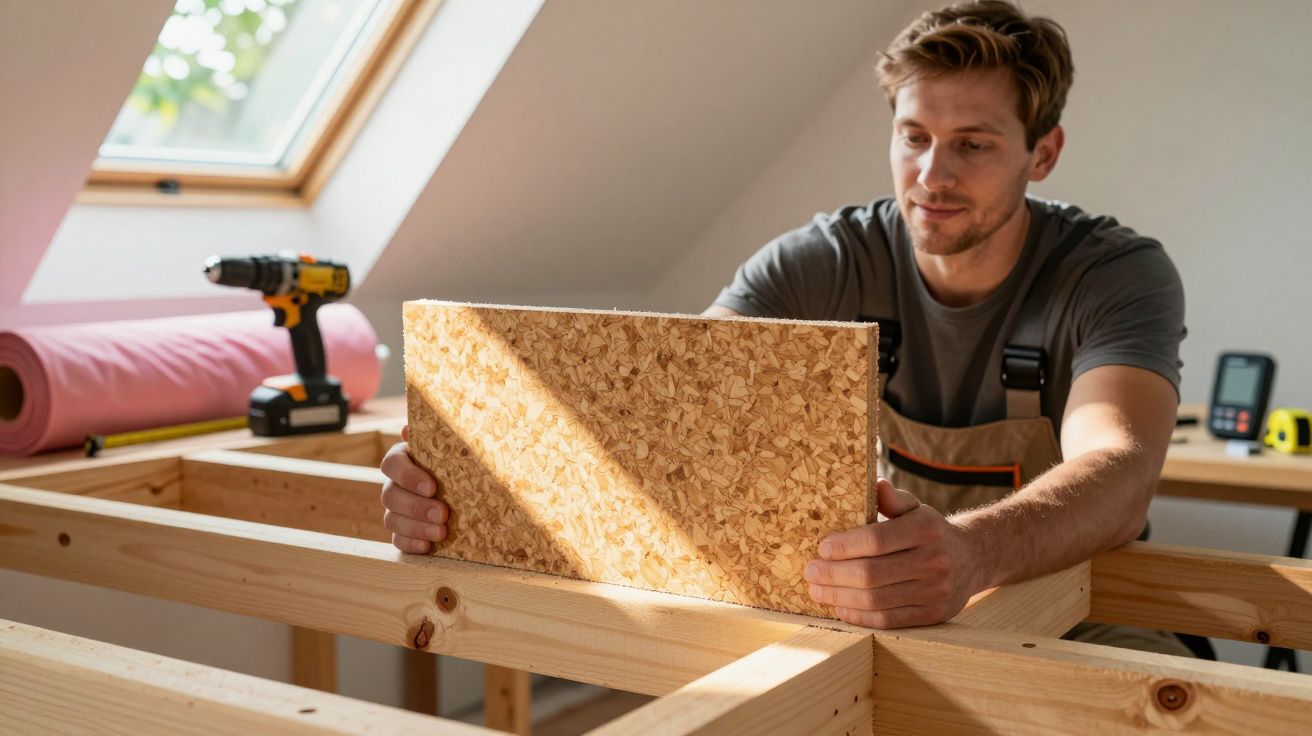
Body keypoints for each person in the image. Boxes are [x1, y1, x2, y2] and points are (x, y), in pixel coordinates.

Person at [379, 0, 1191, 654]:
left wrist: (973, 552)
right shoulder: (824, 261)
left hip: (1081, 614)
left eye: (973, 146)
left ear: (1042, 153)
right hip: (886, 613)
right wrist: (464, 485)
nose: (932, 177)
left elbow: (1119, 473)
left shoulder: (1113, 274)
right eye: (913, 138)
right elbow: (669, 416)